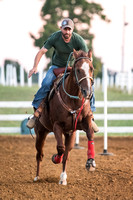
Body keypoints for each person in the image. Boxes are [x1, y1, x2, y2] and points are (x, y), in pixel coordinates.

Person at [27, 18, 99, 132]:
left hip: (73, 69)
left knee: (90, 86)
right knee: (46, 83)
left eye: (69, 29)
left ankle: (91, 114)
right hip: (56, 67)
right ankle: (37, 112)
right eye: (65, 29)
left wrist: (86, 70)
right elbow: (41, 51)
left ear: (72, 30)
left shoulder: (78, 40)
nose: (67, 32)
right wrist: (35, 66)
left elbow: (87, 58)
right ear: (61, 29)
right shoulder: (55, 37)